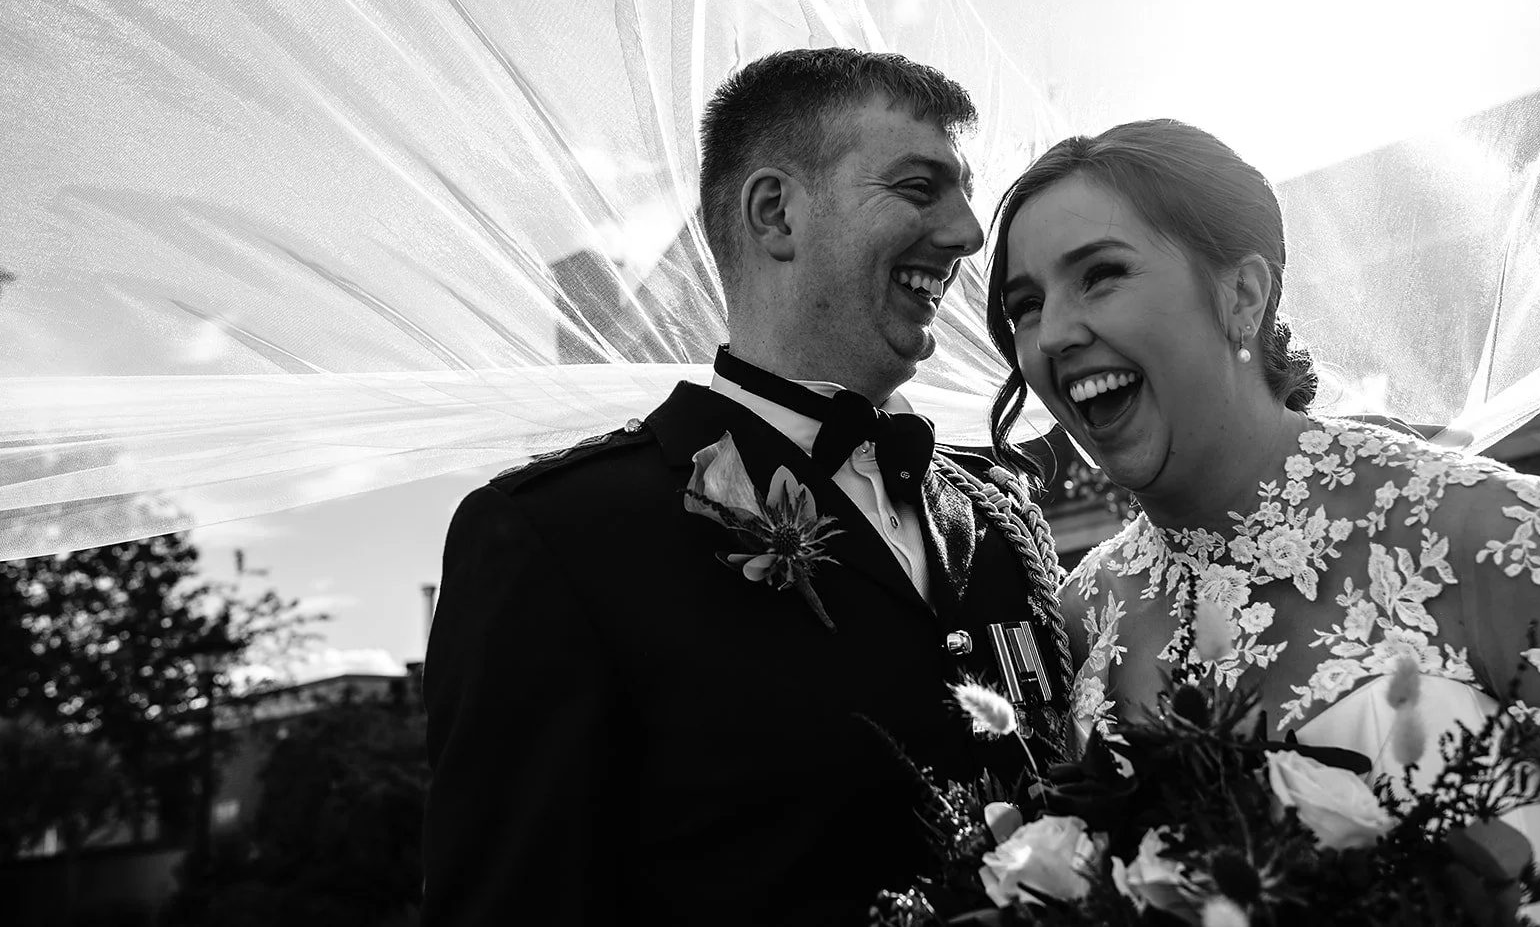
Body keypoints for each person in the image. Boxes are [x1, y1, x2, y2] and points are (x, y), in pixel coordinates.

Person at [422, 48, 1076, 927]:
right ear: (776, 213)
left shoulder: (998, 512)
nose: (967, 233)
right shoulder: (560, 538)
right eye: (922, 188)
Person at [984, 119, 1540, 924]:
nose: (1054, 333)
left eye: (1100, 275)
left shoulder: (1488, 534)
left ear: (1243, 293)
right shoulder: (1077, 615)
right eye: (1026, 305)